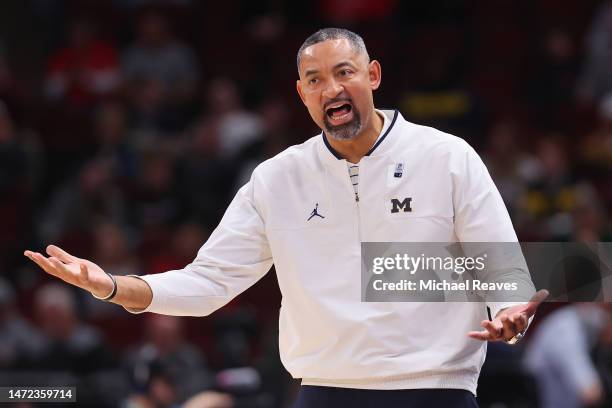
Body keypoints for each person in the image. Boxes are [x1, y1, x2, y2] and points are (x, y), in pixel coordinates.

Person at [25, 28, 547, 407]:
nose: (332, 89)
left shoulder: (448, 157)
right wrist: (113, 285)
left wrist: (510, 317)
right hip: (324, 392)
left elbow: (502, 271)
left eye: (344, 73)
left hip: (435, 390)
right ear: (302, 94)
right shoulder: (276, 178)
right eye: (315, 79)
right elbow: (209, 283)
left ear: (373, 75)